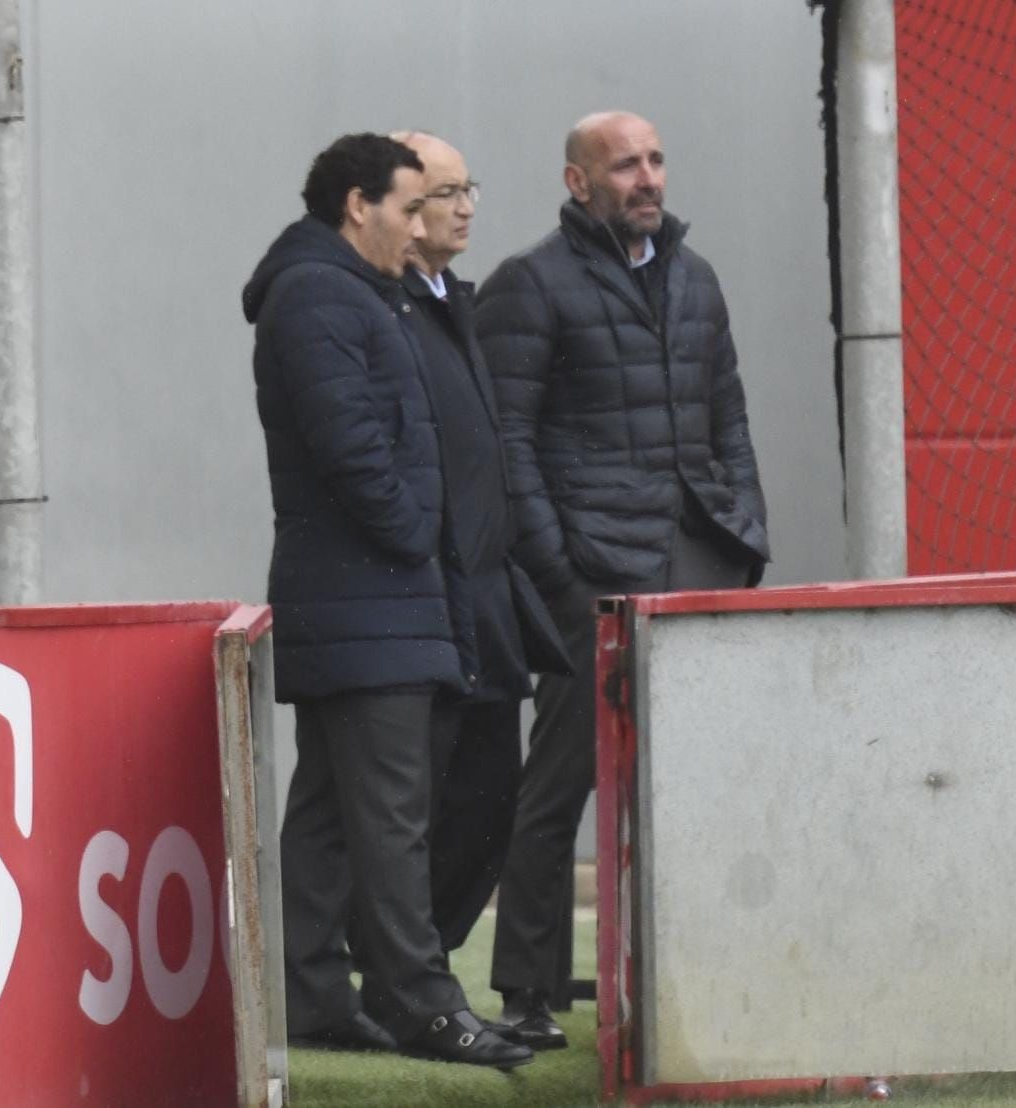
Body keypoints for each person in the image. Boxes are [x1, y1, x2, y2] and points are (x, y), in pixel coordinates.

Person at [477, 111, 771, 1049]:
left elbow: (728, 417)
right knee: (560, 785)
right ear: (578, 184)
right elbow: (504, 447)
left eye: (654, 160)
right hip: (590, 577)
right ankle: (527, 995)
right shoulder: (530, 285)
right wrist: (557, 572)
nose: (647, 178)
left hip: (696, 562)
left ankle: (688, 981)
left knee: (695, 785)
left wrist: (745, 539)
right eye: (623, 165)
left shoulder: (698, 278)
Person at [241, 132, 531, 1069]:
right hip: (371, 596)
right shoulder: (321, 295)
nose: (422, 228)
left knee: (329, 809)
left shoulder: (355, 292)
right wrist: (420, 536)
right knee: (395, 814)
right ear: (356, 204)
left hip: (373, 602)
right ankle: (419, 1002)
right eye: (409, 207)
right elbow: (354, 448)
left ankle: (310, 990)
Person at [387, 129, 570, 963]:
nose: (464, 207)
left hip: (487, 594)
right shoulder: (383, 308)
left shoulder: (454, 299)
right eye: (443, 193)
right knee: (417, 795)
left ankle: (428, 961)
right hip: (426, 597)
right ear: (397, 207)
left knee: (491, 792)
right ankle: (397, 969)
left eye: (470, 189)